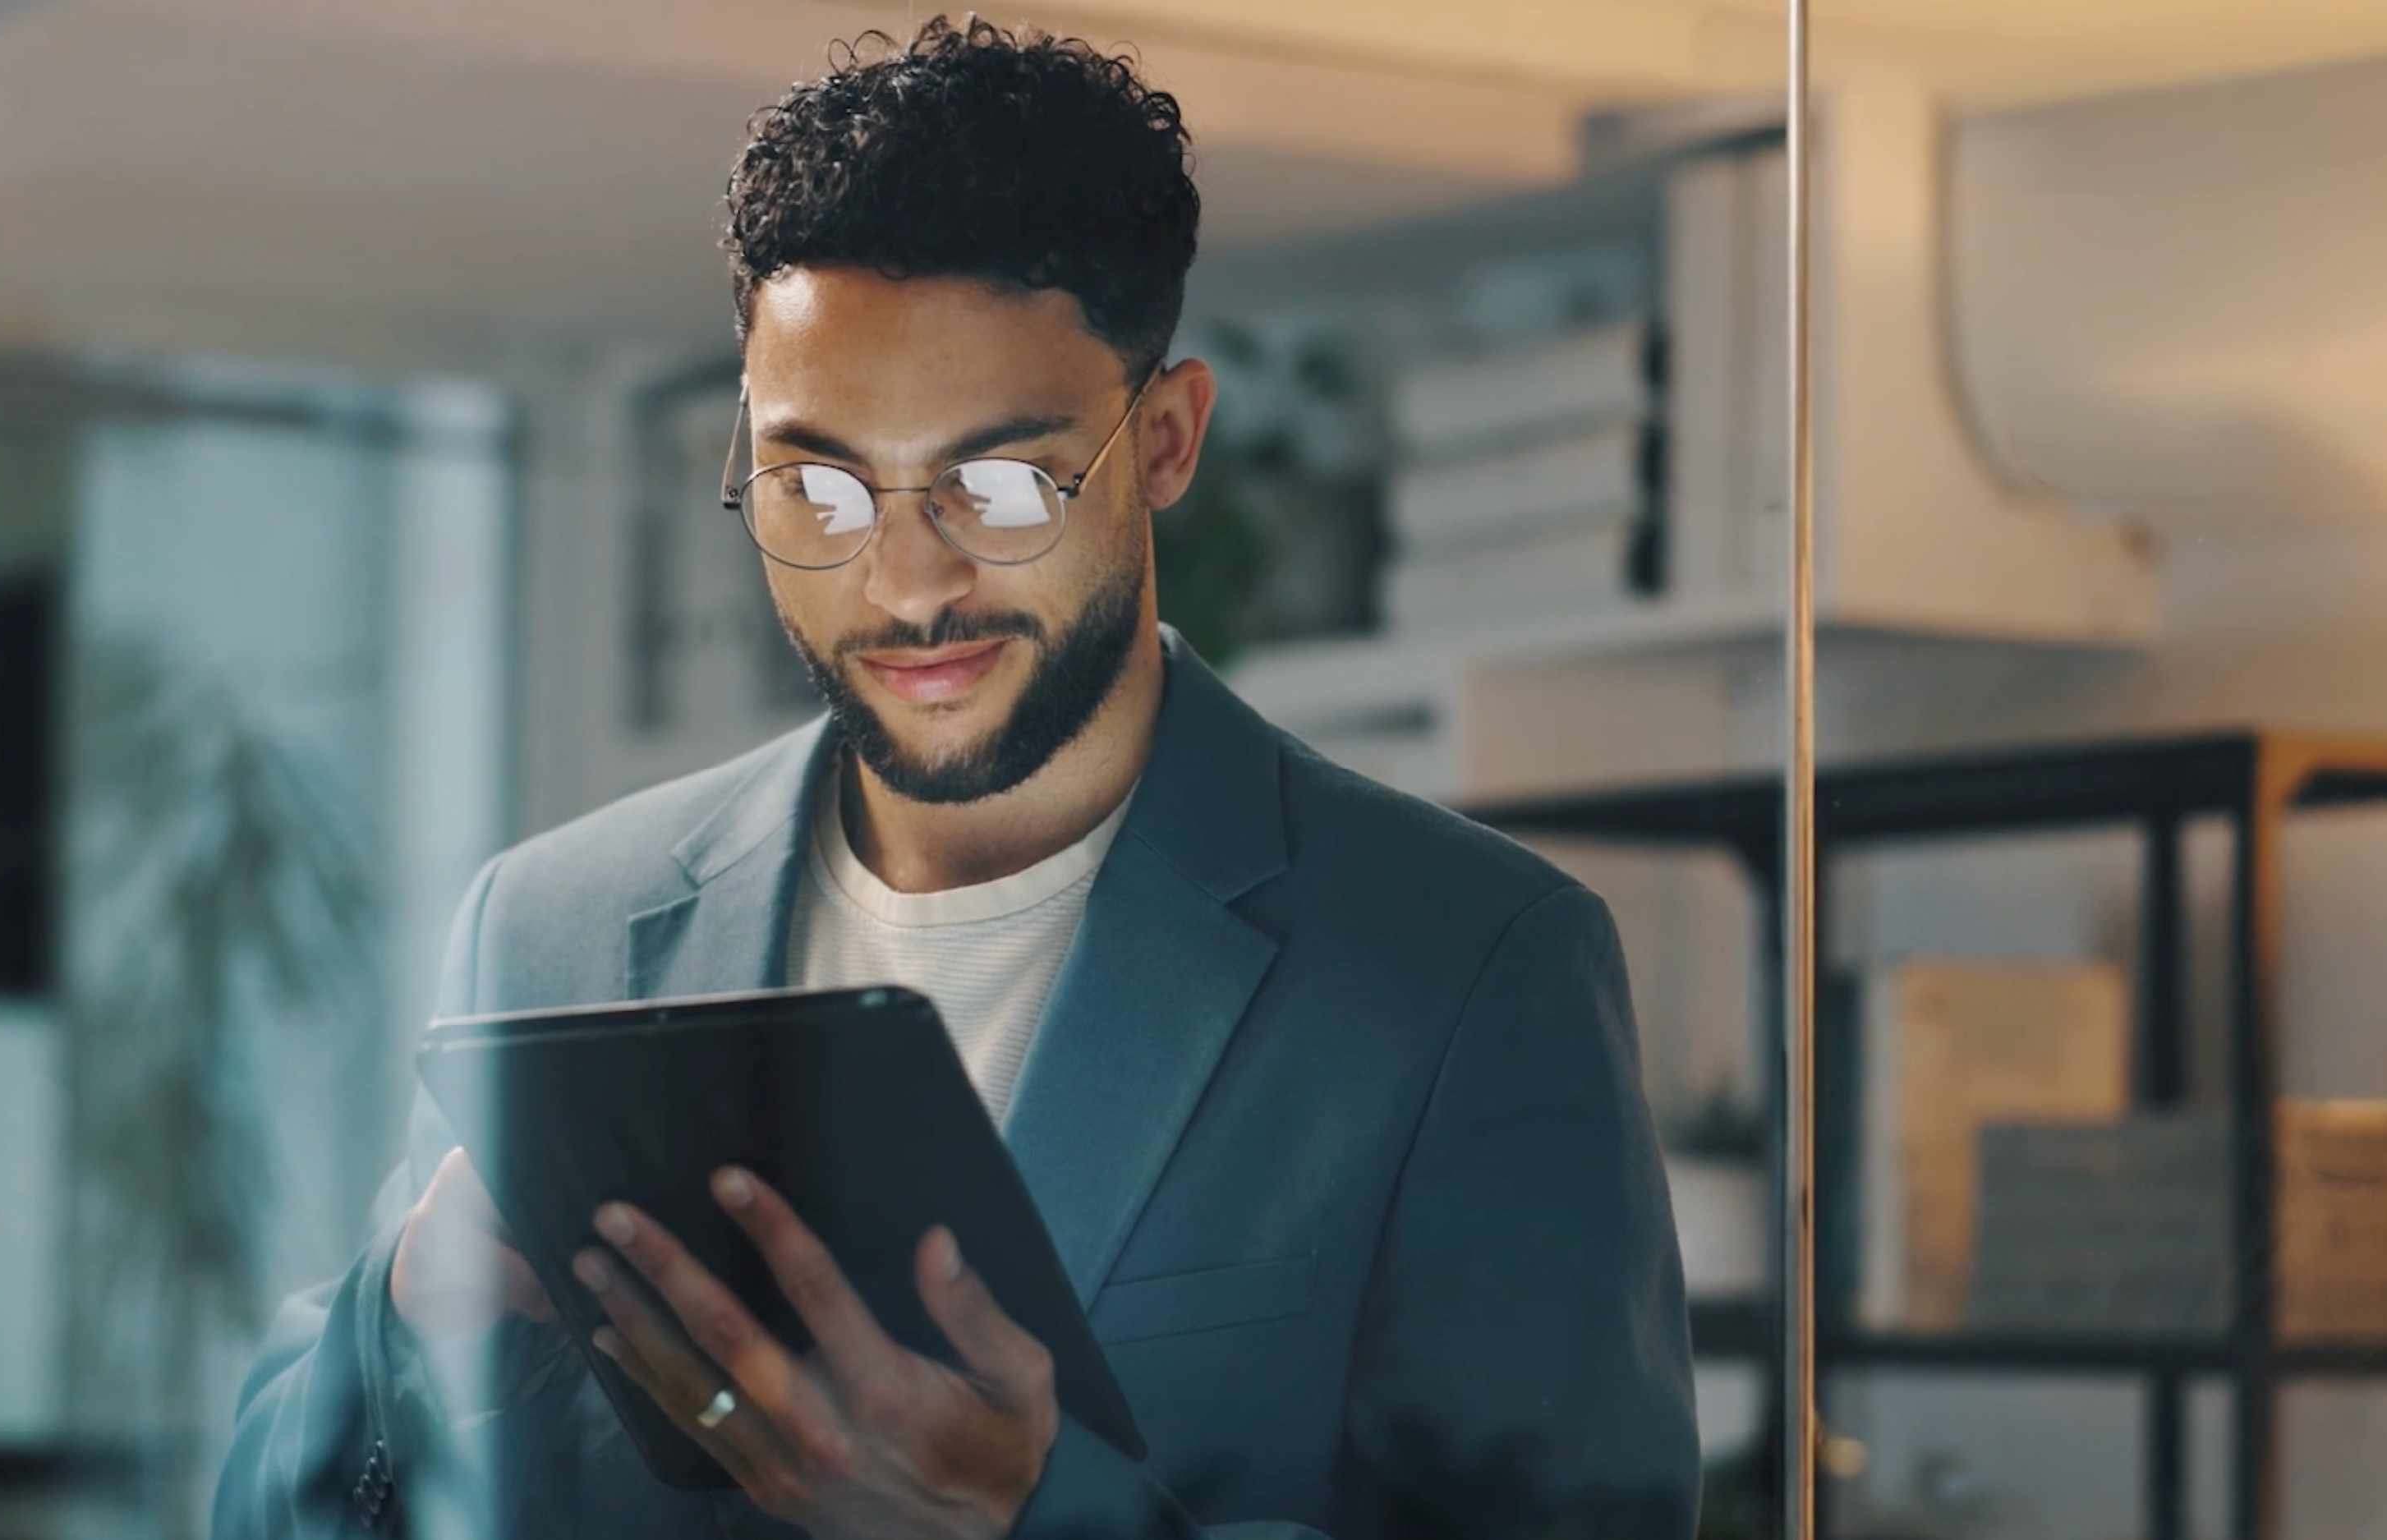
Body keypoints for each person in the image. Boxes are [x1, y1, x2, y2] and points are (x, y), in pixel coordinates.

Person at [215, 16, 1698, 1540]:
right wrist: (406, 1323)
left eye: (997, 484)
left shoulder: (1461, 969)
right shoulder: (552, 932)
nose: (905, 580)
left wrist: (1032, 1517)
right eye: (819, 484)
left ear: (1168, 439)